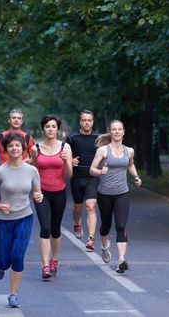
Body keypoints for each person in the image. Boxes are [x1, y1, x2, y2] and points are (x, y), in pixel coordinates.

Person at [0, 132, 43, 308]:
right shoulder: (0, 172)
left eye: (18, 145)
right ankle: (1, 265)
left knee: (17, 256)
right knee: (4, 259)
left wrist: (38, 196)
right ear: (6, 149)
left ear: (23, 148)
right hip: (3, 220)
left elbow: (37, 192)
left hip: (24, 218)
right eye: (11, 146)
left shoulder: (32, 170)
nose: (15, 148)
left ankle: (13, 294)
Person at [90, 120, 141, 274]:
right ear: (110, 132)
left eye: (120, 129)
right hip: (104, 194)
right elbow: (92, 170)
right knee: (106, 225)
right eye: (114, 129)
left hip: (122, 193)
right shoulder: (103, 151)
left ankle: (121, 260)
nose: (117, 132)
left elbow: (130, 165)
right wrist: (100, 172)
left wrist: (136, 176)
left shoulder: (129, 151)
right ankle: (105, 246)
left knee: (120, 225)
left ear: (123, 132)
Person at [30, 114, 73, 280]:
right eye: (47, 126)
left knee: (55, 230)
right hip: (41, 192)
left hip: (59, 192)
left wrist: (67, 162)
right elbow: (34, 171)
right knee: (45, 228)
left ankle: (54, 259)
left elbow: (69, 174)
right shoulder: (36, 149)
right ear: (43, 128)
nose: (50, 129)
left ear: (57, 129)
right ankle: (45, 266)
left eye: (53, 126)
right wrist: (35, 190)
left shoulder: (65, 147)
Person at [66, 110, 99, 251]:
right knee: (78, 207)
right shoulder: (72, 137)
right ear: (80, 122)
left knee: (91, 206)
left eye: (89, 120)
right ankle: (76, 223)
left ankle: (91, 239)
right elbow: (65, 154)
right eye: (84, 120)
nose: (87, 122)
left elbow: (105, 152)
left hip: (92, 177)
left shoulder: (98, 137)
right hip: (77, 177)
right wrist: (70, 160)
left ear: (92, 122)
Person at [0, 109, 35, 174]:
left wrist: (30, 161)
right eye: (13, 118)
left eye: (19, 118)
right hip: (3, 176)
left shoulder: (28, 138)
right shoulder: (0, 137)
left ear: (21, 121)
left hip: (22, 175)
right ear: (9, 120)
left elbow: (34, 157)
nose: (16, 120)